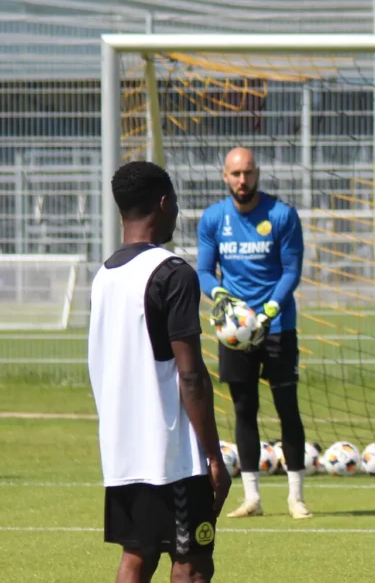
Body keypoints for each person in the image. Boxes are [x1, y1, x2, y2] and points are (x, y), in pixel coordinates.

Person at [88, 160, 231, 583]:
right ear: (164, 203)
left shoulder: (104, 276)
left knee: (139, 555)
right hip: (173, 453)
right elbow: (190, 376)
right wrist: (212, 455)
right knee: (192, 566)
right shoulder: (173, 273)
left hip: (122, 451)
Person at [196, 146, 310, 520]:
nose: (241, 180)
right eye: (235, 174)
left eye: (247, 173)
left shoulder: (281, 215)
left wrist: (272, 308)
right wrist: (220, 295)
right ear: (224, 176)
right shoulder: (213, 219)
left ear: (257, 173)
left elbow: (292, 269)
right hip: (235, 333)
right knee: (244, 410)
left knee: (287, 409)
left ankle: (296, 497)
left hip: (277, 327)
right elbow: (202, 271)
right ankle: (252, 499)